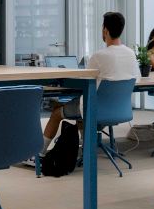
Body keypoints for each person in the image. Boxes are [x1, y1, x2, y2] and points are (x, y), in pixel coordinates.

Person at [43, 11, 140, 142]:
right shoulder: (131, 54)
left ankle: (40, 153)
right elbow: (137, 78)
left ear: (105, 30)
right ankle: (86, 147)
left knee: (57, 112)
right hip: (120, 109)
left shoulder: (99, 56)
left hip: (94, 109)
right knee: (81, 104)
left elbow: (84, 82)